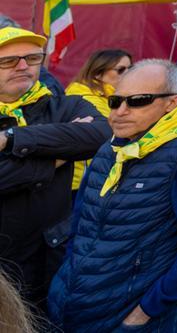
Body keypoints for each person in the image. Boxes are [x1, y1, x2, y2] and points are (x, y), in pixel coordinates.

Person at [48, 60, 177, 333]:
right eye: (115, 100)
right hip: (75, 301)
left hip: (132, 314)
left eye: (138, 101)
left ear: (172, 103)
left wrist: (148, 309)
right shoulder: (111, 147)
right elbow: (82, 218)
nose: (120, 112)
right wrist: (67, 273)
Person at [0, 26, 111, 313]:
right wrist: (56, 157)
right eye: (8, 60)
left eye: (33, 58)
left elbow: (102, 134)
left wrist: (12, 139)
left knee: (52, 317)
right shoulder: (67, 116)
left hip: (53, 251)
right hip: (4, 257)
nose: (23, 66)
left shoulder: (66, 104)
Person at [65, 48, 132, 190]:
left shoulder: (110, 96)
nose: (128, 74)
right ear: (98, 73)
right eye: (121, 70)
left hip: (95, 175)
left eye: (130, 68)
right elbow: (113, 133)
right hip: (82, 181)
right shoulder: (86, 98)